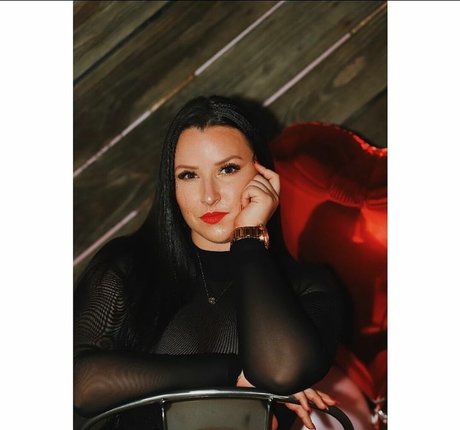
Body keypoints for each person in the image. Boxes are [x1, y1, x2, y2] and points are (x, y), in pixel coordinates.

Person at [74, 95, 345, 430]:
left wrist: (248, 236)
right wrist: (232, 372)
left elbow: (281, 371)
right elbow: (81, 384)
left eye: (227, 169)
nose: (209, 195)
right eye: (189, 175)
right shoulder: (127, 268)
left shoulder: (306, 286)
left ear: (263, 173)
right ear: (172, 186)